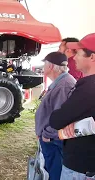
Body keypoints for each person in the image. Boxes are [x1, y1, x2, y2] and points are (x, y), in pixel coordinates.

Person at [49, 33, 95, 180]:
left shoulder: (89, 88)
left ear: (92, 57)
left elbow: (56, 120)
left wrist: (71, 122)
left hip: (81, 169)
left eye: (78, 53)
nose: (73, 57)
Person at [35, 52, 76, 180]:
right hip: (52, 140)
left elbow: (62, 117)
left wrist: (48, 135)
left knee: (55, 173)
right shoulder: (62, 82)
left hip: (54, 141)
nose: (43, 67)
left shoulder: (63, 86)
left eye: (45, 64)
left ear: (51, 66)